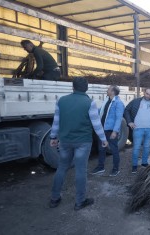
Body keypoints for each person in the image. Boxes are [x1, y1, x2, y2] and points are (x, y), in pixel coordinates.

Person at [48, 77, 108, 211]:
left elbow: (56, 121)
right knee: (81, 170)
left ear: (72, 87)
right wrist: (103, 139)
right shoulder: (89, 102)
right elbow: (96, 124)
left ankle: (54, 199)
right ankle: (79, 202)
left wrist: (53, 136)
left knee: (62, 168)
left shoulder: (61, 101)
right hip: (83, 142)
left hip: (65, 141)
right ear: (86, 88)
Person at [124, 88, 150, 173]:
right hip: (138, 128)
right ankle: (134, 165)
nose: (148, 96)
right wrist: (129, 122)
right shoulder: (136, 101)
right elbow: (126, 110)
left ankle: (144, 163)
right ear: (144, 93)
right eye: (147, 93)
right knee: (136, 147)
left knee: (147, 147)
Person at [91, 85, 125, 176]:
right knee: (101, 149)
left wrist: (115, 131)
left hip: (111, 130)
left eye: (109, 89)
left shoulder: (118, 103)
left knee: (114, 150)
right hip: (102, 129)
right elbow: (101, 111)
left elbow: (119, 118)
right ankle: (101, 167)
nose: (107, 90)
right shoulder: (107, 100)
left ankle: (116, 169)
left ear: (113, 92)